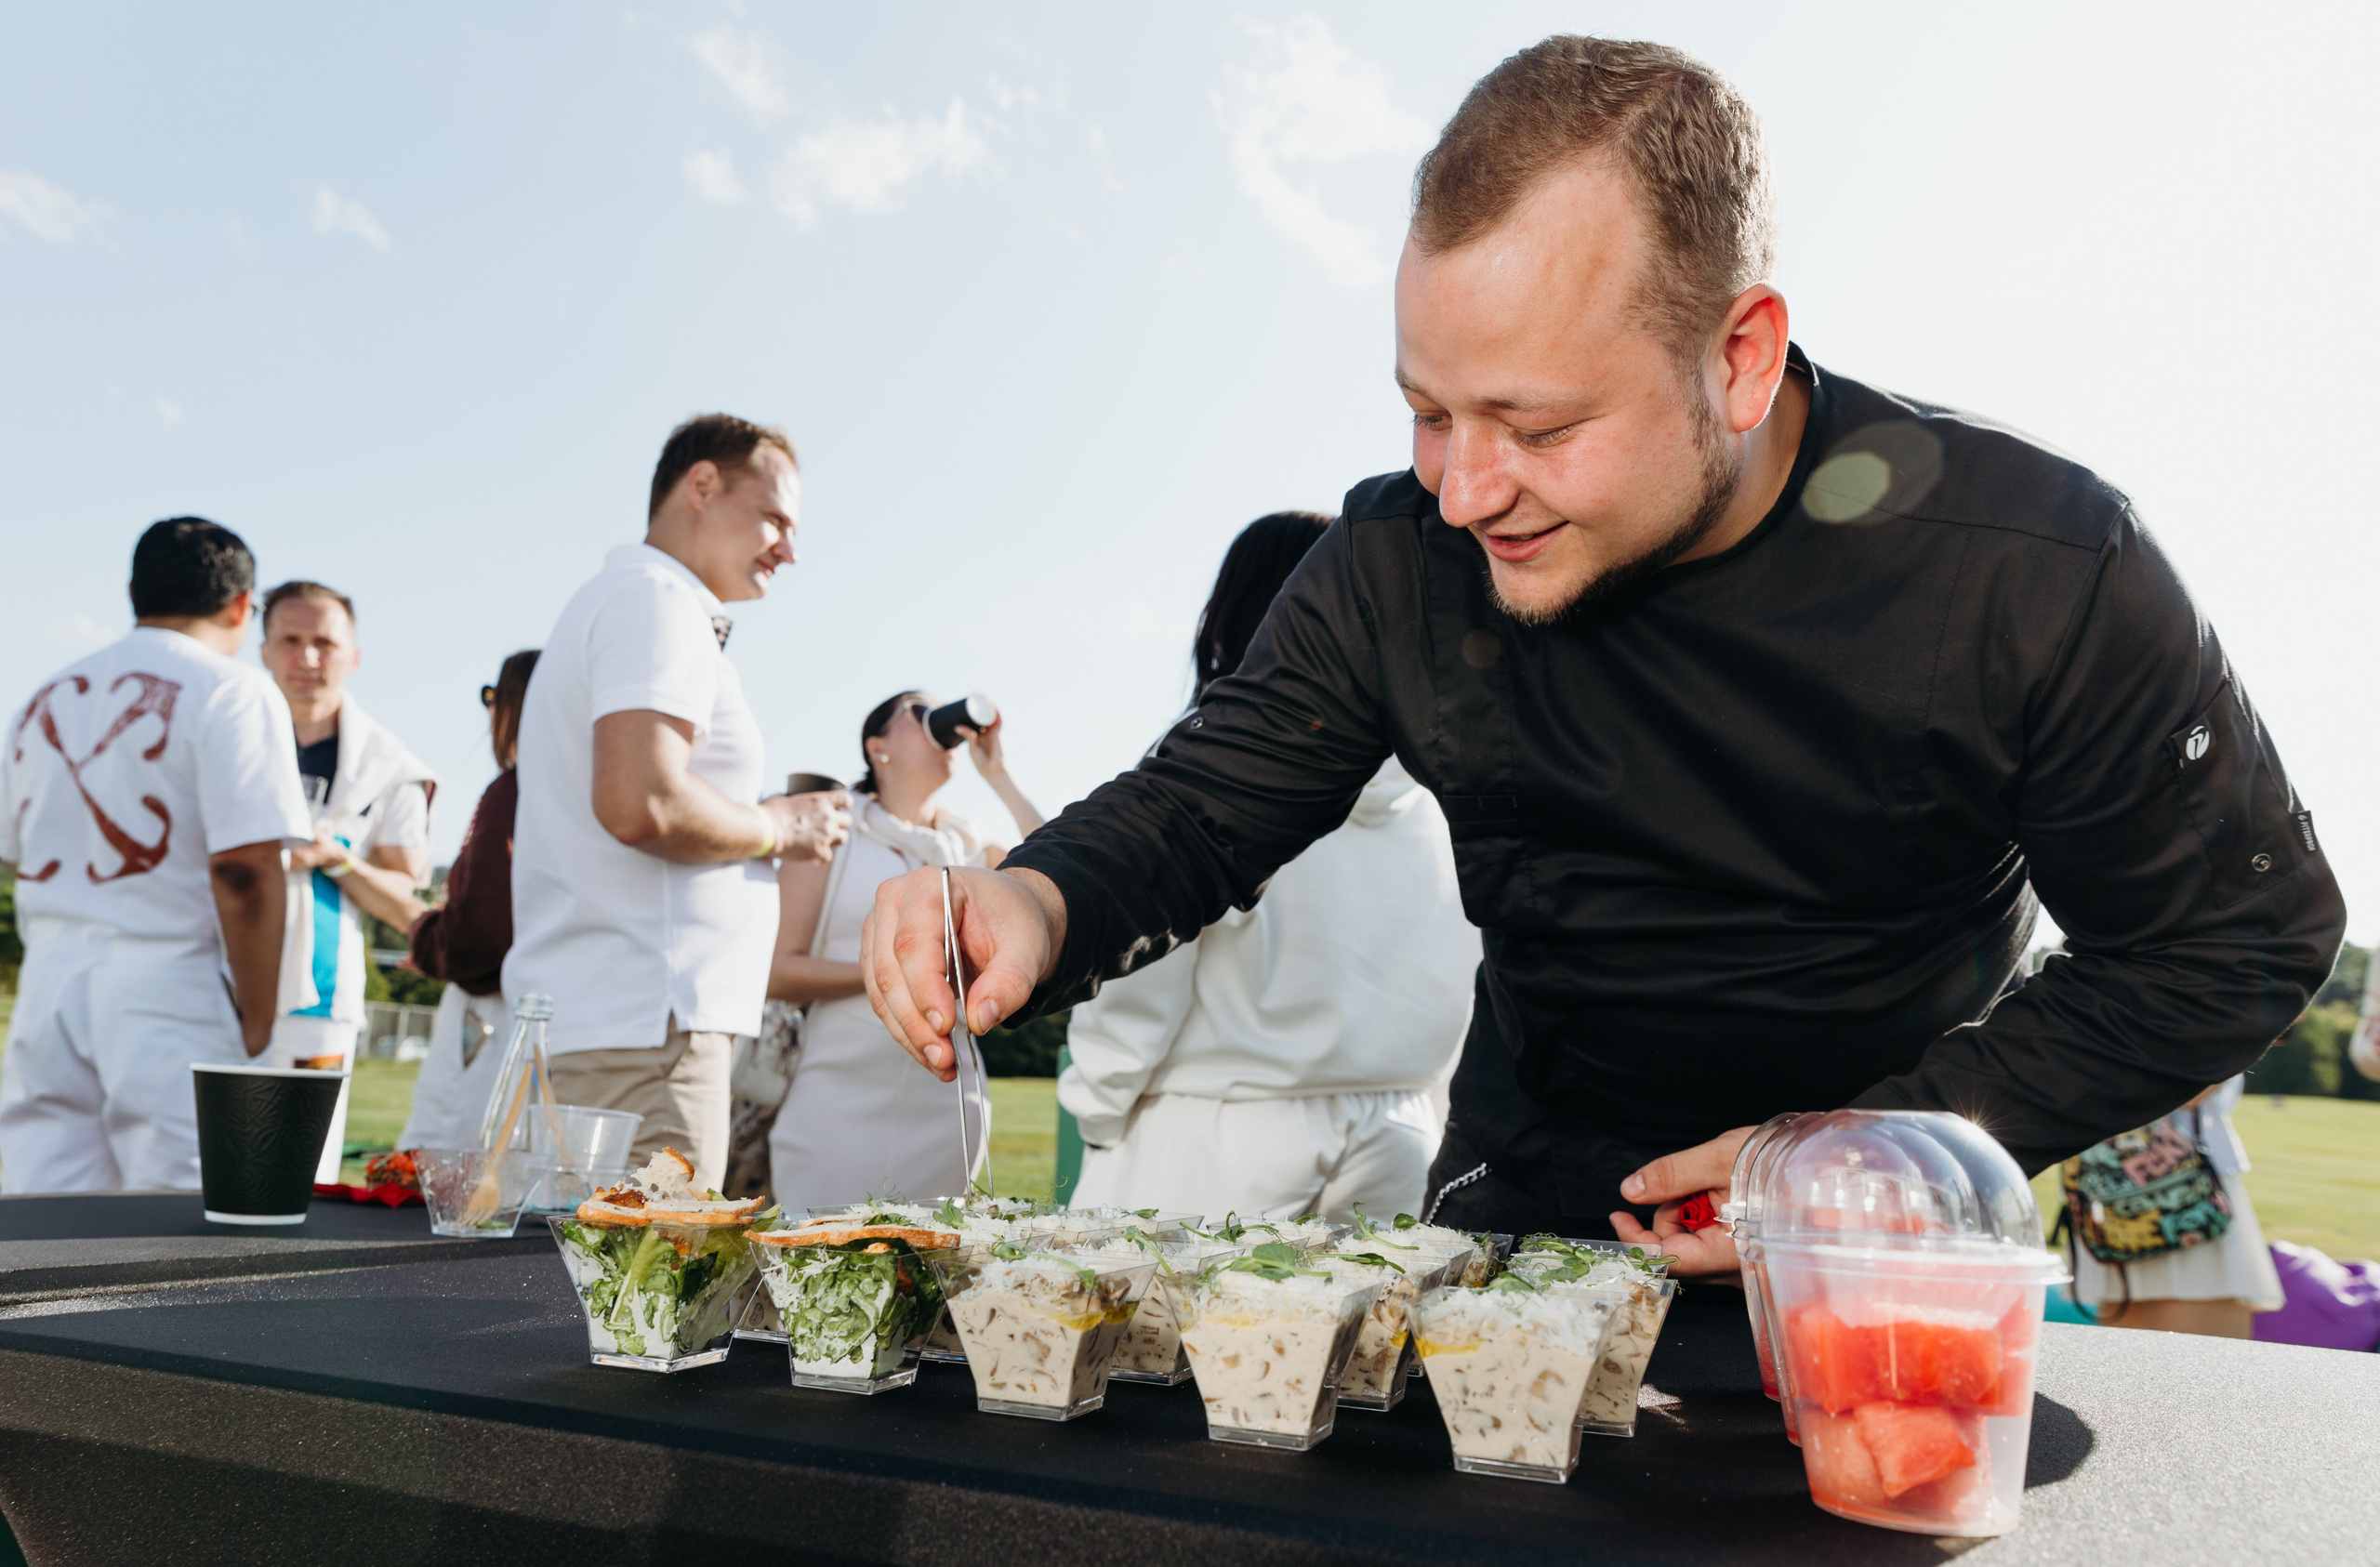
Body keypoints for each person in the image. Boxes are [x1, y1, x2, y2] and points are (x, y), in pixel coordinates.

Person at [856, 36, 2346, 1274]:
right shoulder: (1399, 560)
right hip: (1522, 1217)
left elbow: (2236, 935)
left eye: (1538, 425)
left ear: (1740, 359)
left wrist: (1863, 1157)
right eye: (1427, 410)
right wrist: (1034, 897)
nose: (1463, 488)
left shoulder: (2035, 571)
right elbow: (1200, 805)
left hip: (1868, 1251)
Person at [1058, 513, 1478, 1221]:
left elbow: (1141, 966)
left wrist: (1099, 1107)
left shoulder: (1208, 767)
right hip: (1401, 1134)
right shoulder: (1440, 782)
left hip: (1217, 1135)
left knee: (1150, 1303)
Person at [506, 414, 850, 1192]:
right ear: (702, 484)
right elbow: (643, 802)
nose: (789, 550)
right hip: (648, 1037)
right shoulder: (657, 601)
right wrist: (777, 827)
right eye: (776, 518)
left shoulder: (630, 598)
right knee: (659, 1274)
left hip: (622, 1027)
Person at [0, 519, 311, 1192]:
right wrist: (260, 1018)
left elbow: (14, 849)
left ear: (134, 593)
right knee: (185, 1218)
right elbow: (246, 868)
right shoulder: (232, 687)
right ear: (241, 606)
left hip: (50, 978)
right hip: (168, 979)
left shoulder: (42, 696)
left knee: (46, 1215)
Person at [766, 691, 1044, 1206]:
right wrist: (899, 965)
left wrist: (998, 775)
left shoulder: (969, 847)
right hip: (838, 1100)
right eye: (920, 713)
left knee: (936, 1255)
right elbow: (777, 971)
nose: (940, 724)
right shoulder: (832, 829)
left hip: (948, 1101)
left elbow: (1055, 881)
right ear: (878, 748)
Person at [258, 580, 437, 1181]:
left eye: (325, 643)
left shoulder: (388, 766)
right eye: (290, 640)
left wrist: (333, 859)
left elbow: (407, 903)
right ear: (264, 650)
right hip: (211, 988)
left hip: (318, 999)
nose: (307, 658)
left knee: (296, 1178)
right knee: (189, 1173)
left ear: (353, 656)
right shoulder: (225, 740)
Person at [330, 651, 537, 1152]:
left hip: (495, 1018)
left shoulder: (515, 790)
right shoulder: (580, 790)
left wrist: (435, 941)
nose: (489, 710)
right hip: (550, 1014)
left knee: (442, 1169)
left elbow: (481, 933)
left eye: (494, 696)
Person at [2066, 1075, 2285, 1337]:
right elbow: (2195, 1083)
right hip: (2180, 1192)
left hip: (2108, 1191)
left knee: (2130, 1352)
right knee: (2205, 1358)